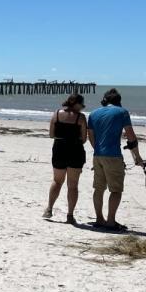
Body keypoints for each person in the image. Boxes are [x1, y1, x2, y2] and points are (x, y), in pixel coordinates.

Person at [87, 88, 145, 231]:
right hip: (113, 155)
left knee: (98, 188)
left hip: (97, 155)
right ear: (119, 101)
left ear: (105, 100)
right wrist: (137, 157)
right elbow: (131, 137)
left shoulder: (93, 114)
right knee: (116, 190)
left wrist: (98, 150)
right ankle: (111, 221)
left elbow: (90, 136)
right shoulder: (122, 112)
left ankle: (99, 219)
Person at [43, 93, 87, 224]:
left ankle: (49, 209)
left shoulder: (56, 114)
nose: (82, 108)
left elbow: (51, 135)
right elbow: (84, 139)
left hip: (59, 149)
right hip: (75, 150)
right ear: (76, 103)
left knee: (57, 181)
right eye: (81, 105)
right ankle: (70, 215)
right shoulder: (81, 117)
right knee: (73, 185)